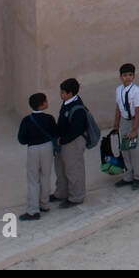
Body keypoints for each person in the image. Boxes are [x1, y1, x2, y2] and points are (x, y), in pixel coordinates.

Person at [17, 92, 58, 218]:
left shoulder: (26, 120)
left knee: (33, 179)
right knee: (45, 176)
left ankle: (33, 210)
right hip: (47, 147)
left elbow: (21, 139)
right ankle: (44, 204)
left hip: (33, 149)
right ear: (42, 105)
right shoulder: (50, 118)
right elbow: (55, 133)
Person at [54, 78, 89, 207]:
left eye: (63, 92)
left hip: (73, 142)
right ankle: (62, 193)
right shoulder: (66, 102)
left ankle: (76, 197)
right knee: (61, 169)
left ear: (71, 93)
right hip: (63, 141)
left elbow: (76, 130)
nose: (60, 94)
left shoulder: (78, 108)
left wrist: (62, 140)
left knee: (74, 170)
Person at [111, 64, 139, 189]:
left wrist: (135, 129)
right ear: (120, 77)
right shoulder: (119, 90)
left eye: (130, 75)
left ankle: (138, 177)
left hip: (134, 121)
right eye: (125, 75)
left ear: (134, 76)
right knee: (125, 150)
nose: (128, 78)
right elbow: (119, 107)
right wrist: (116, 124)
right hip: (124, 121)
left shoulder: (136, 90)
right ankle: (128, 176)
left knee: (135, 151)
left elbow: (138, 110)